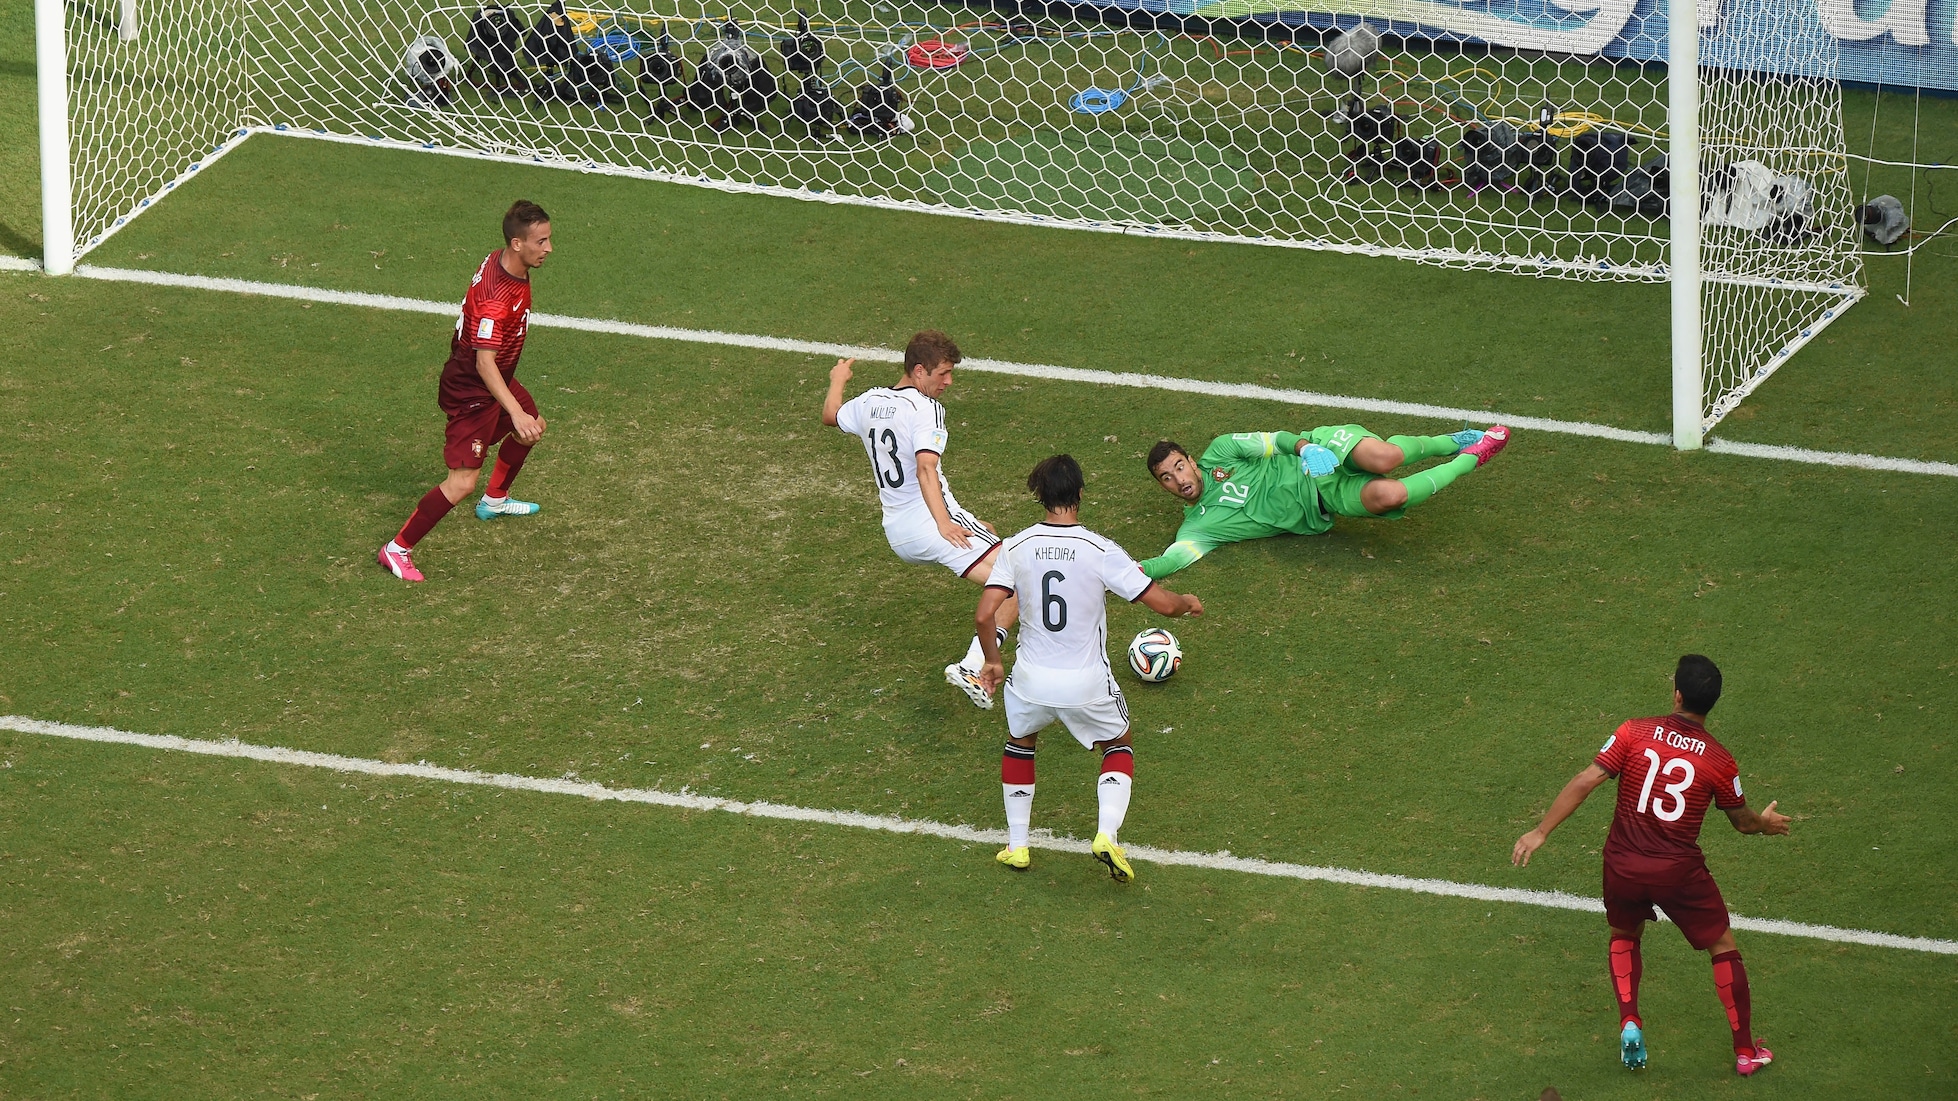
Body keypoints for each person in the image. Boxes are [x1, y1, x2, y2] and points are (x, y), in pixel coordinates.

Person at [1512, 655, 1791, 1077]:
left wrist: (1540, 831)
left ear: (1677, 694)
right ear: (1711, 703)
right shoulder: (1719, 760)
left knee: (1624, 934)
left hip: (1622, 863)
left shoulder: (1634, 732)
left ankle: (1629, 1020)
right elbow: (1742, 821)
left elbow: (1588, 779)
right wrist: (1766, 825)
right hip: (1677, 872)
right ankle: (1745, 1051)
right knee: (1722, 946)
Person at [975, 455, 1202, 882]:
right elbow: (1162, 603)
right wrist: (1187, 603)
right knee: (1118, 744)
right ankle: (1106, 835)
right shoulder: (1099, 550)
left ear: (1040, 496)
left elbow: (986, 615)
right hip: (1086, 683)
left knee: (1020, 741)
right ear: (1080, 493)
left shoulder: (1017, 546)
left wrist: (992, 658)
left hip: (1029, 680)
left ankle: (1018, 845)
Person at [822, 331, 1018, 708]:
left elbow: (831, 415)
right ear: (918, 371)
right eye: (943, 373)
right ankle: (975, 665)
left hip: (898, 532)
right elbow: (927, 470)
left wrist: (837, 380)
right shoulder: (925, 409)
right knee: (1019, 578)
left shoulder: (869, 401)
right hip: (931, 525)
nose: (948, 382)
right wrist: (944, 525)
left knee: (998, 548)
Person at [379, 200, 553, 582]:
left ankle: (495, 501)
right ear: (517, 244)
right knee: (461, 481)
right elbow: (483, 363)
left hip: (497, 378)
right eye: (541, 242)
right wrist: (514, 412)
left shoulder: (503, 260)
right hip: (473, 389)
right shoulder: (496, 301)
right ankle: (396, 549)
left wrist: (520, 414)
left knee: (533, 427)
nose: (548, 249)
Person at [1139, 423, 1509, 578]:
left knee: (1386, 458)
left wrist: (1307, 447)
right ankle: (1473, 457)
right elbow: (1173, 559)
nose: (1179, 480)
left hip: (1321, 452)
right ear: (1163, 487)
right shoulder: (1199, 527)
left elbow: (1277, 440)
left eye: (1179, 467)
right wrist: (1128, 573)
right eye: (1167, 478)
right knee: (1391, 495)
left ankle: (1448, 441)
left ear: (1190, 460)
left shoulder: (1222, 450)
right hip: (1327, 499)